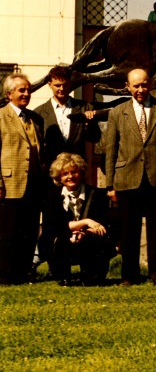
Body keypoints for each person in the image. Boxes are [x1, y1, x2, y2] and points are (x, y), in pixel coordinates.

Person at [33, 66, 100, 277]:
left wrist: (90, 123)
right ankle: (56, 266)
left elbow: (95, 138)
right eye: (57, 85)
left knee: (78, 214)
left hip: (75, 174)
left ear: (70, 84)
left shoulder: (83, 107)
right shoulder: (40, 112)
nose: (61, 89)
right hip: (52, 178)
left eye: (65, 85)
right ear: (50, 85)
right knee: (53, 222)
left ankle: (86, 264)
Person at [105, 68, 156, 286]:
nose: (140, 90)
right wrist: (110, 184)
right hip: (127, 178)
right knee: (128, 229)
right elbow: (111, 150)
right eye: (136, 86)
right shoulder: (117, 112)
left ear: (150, 84)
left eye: (144, 85)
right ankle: (129, 274)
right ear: (128, 87)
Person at [0, 73, 44, 285]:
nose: (27, 93)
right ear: (9, 94)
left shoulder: (35, 119)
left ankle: (23, 273)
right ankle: (5, 275)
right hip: (10, 184)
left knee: (29, 230)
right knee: (8, 231)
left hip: (33, 184)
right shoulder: (1, 117)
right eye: (21, 90)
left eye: (28, 90)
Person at [44, 153, 114, 286]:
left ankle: (92, 275)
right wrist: (86, 222)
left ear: (81, 173)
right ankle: (63, 277)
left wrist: (85, 233)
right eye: (65, 174)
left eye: (73, 172)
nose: (70, 176)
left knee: (99, 238)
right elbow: (56, 225)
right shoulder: (53, 196)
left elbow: (102, 224)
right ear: (59, 177)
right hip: (64, 238)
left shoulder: (96, 194)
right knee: (55, 239)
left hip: (89, 237)